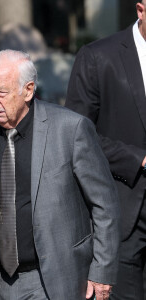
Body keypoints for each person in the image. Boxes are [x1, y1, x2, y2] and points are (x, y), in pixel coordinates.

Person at [0, 49, 119, 300]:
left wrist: (102, 270)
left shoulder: (70, 129)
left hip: (56, 280)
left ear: (28, 90)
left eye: (1, 92)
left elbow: (105, 205)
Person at [65, 1, 146, 299]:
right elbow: (78, 136)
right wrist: (138, 159)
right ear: (141, 10)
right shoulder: (98, 57)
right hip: (121, 213)